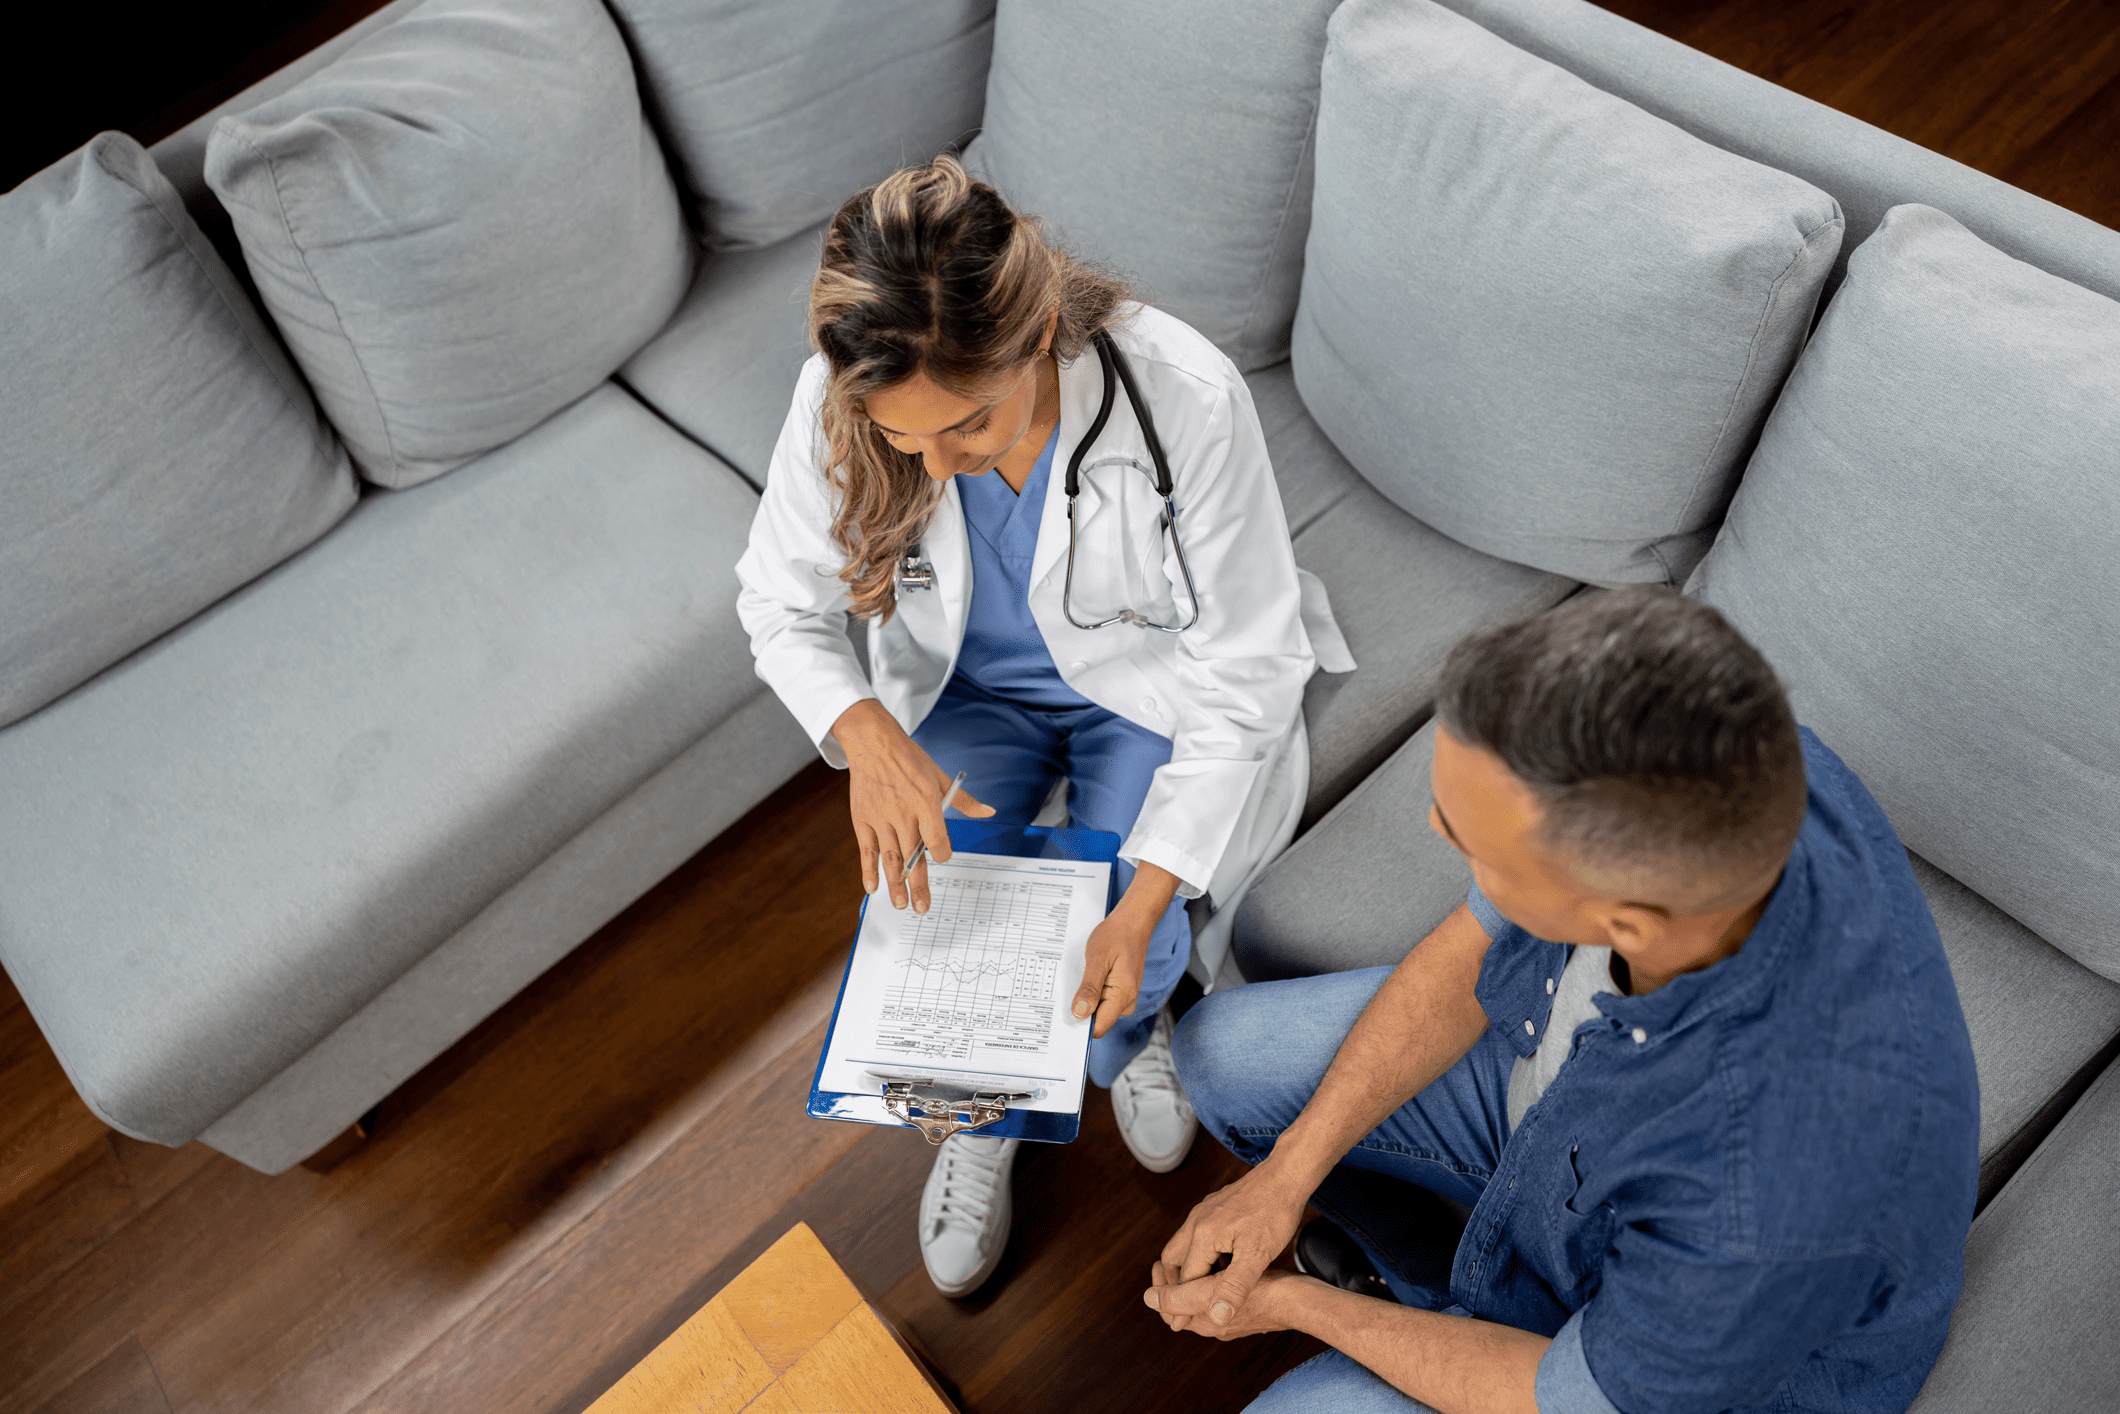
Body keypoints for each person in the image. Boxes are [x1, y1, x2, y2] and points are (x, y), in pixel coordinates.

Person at [1146, 589, 1980, 1414]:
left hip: (1666, 1363)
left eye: (1476, 846)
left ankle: (1441, 1319)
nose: (1436, 828)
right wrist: (1286, 1177)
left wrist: (1298, 1305)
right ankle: (1428, 1289)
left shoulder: (1760, 1204)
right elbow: (1472, 947)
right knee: (1222, 1056)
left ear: (1626, 926)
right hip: (1569, 1123)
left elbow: (1557, 1398)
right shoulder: (1727, 757)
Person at [736, 157, 1324, 1298]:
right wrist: (867, 735)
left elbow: (1250, 665)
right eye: (905, 440)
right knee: (935, 908)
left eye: (968, 424)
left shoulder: (1184, 397)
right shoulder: (842, 401)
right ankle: (982, 1114)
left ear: (1040, 332)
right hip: (965, 693)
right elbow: (777, 603)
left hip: (1143, 692)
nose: (935, 464)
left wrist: (1146, 900)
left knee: (1126, 934)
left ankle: (1137, 1036)